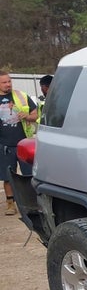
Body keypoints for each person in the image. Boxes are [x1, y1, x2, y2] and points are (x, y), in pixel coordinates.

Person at [0, 70, 37, 216]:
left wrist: (27, 116)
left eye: (9, 81)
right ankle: (10, 204)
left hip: (23, 144)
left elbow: (36, 115)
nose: (8, 84)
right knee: (8, 176)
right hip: (4, 145)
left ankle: (34, 203)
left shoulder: (21, 96)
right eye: (4, 82)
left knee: (29, 175)